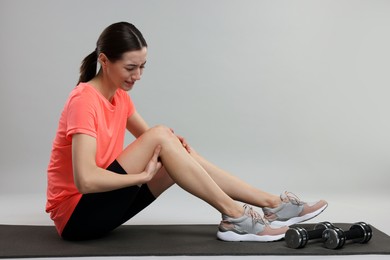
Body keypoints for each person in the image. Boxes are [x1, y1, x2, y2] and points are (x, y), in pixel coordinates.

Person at [46, 22, 328, 241]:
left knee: (169, 145)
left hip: (100, 210)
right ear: (104, 61)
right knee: (161, 137)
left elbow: (156, 143)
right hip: (75, 217)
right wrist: (141, 177)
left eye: (143, 66)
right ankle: (236, 217)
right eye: (130, 67)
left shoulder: (119, 97)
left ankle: (273, 204)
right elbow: (85, 180)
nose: (138, 75)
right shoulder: (84, 99)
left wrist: (178, 151)